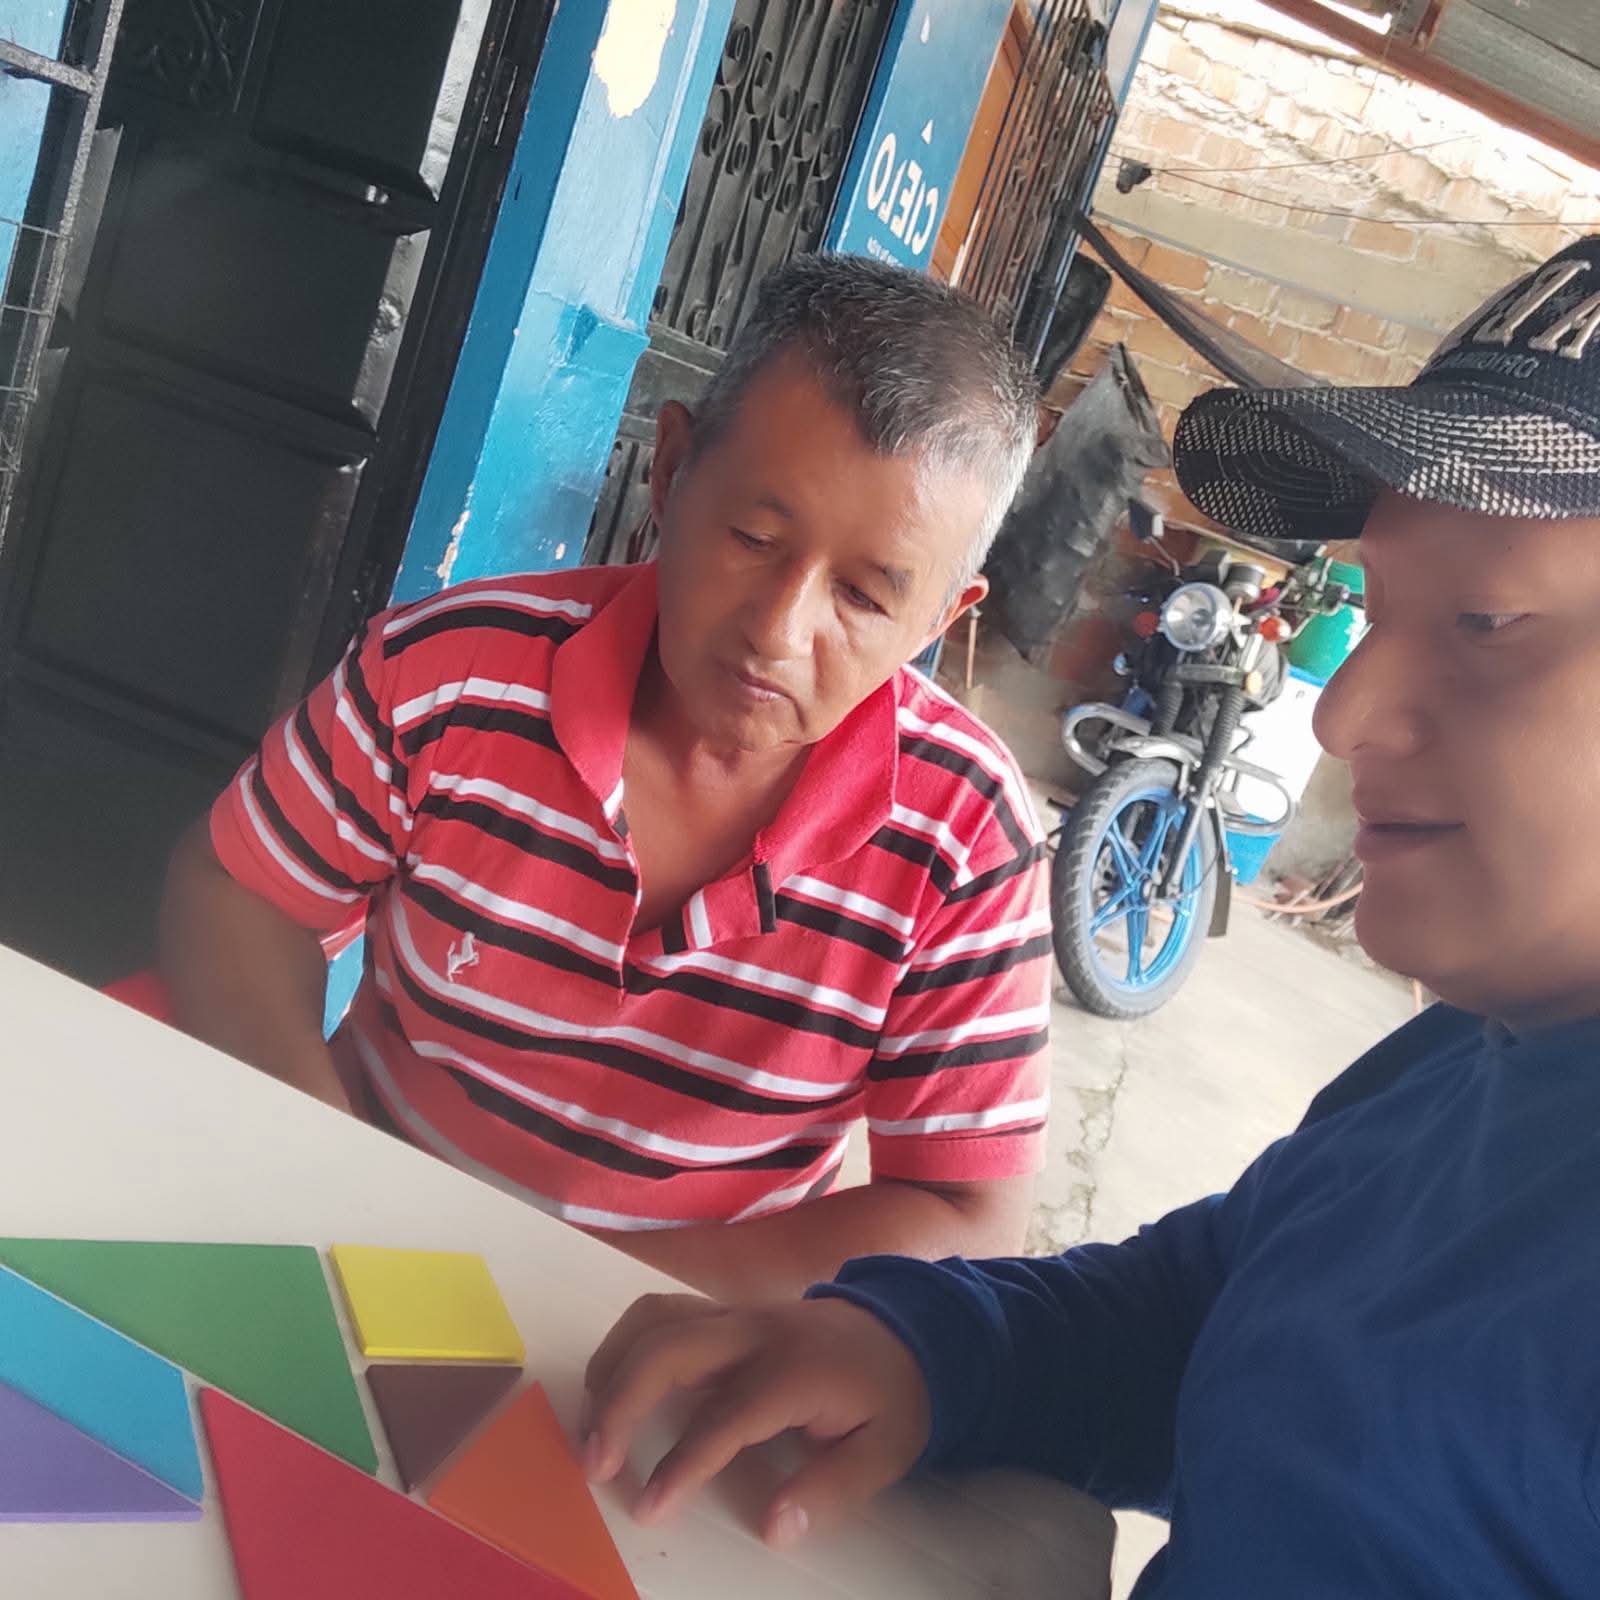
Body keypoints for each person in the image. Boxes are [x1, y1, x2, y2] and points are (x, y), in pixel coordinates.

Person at [579, 235, 1600, 1596]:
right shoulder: (1455, 1066)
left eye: (1485, 622)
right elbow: (1194, 1315)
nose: (1347, 718)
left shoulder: (955, 823)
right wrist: (928, 1353)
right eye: (1380, 615)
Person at [159, 255, 1052, 1302]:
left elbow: (963, 1209)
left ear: (939, 619)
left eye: (863, 597)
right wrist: (328, 1184)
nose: (778, 631)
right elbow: (241, 891)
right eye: (753, 538)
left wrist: (552, 1299)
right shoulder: (449, 672)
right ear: (669, 473)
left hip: (658, 1334)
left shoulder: (966, 841)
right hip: (356, 1243)